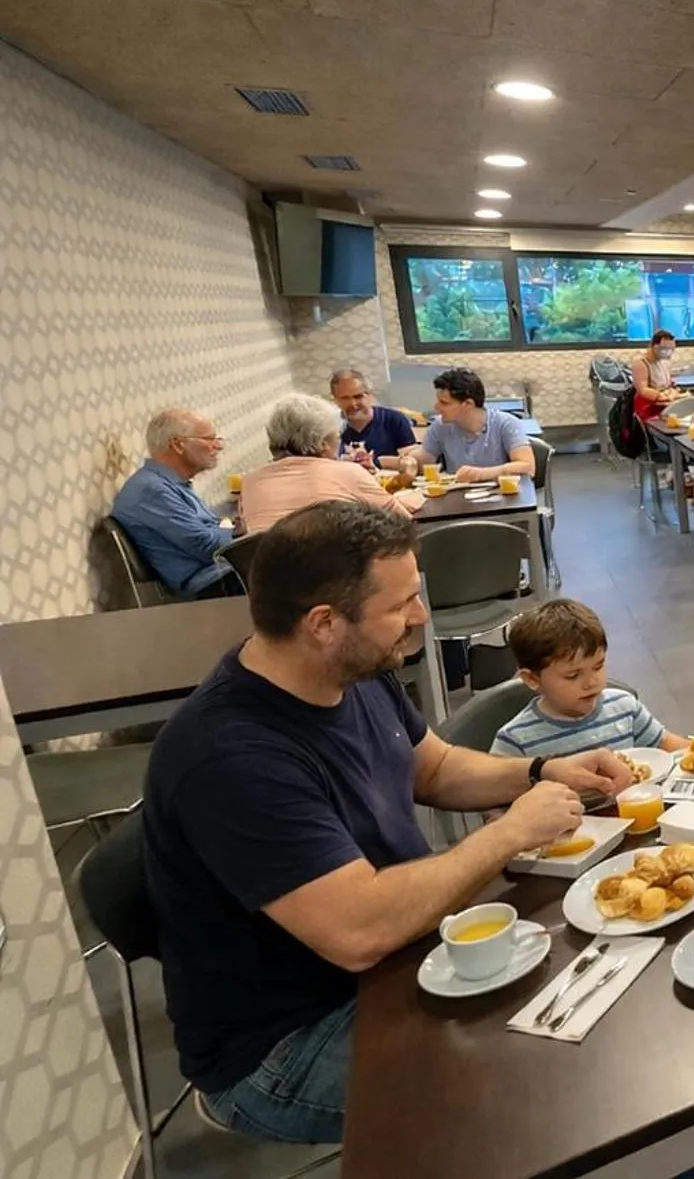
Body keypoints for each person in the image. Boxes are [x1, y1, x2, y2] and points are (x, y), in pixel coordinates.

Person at [141, 503, 631, 1144]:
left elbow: (434, 769)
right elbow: (360, 929)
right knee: (546, 1079)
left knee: (594, 989)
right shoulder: (231, 756)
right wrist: (509, 832)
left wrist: (543, 771)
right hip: (288, 1044)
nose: (422, 618)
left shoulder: (351, 670)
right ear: (323, 623)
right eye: (402, 605)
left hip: (395, 957)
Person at [489, 598, 686, 757]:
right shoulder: (515, 741)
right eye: (573, 675)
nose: (592, 682)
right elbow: (496, 802)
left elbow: (671, 747)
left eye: (598, 666)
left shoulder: (625, 708)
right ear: (532, 679)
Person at [240, 394, 423, 534]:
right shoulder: (348, 472)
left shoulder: (249, 483)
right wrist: (396, 503)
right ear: (323, 443)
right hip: (341, 577)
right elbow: (402, 523)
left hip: (273, 580)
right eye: (336, 436)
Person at [110, 408, 238, 598]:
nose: (218, 446)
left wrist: (227, 527)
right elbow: (207, 547)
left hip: (219, 573)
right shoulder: (151, 490)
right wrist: (233, 530)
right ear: (178, 445)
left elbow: (211, 527)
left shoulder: (170, 484)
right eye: (209, 439)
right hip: (210, 585)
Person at [409, 367, 534, 483]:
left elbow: (528, 466)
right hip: (458, 499)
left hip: (502, 496)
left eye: (444, 403)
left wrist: (482, 474)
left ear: (468, 404)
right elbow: (424, 463)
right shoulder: (439, 427)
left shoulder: (506, 424)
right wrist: (409, 461)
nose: (436, 407)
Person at [330, 369, 418, 474]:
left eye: (358, 396)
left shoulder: (394, 419)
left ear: (370, 395)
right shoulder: (330, 427)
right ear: (335, 400)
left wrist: (378, 462)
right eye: (345, 398)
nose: (353, 404)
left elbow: (411, 462)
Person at [629, 329, 682, 424]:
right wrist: (660, 396)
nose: (668, 352)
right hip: (647, 409)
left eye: (671, 349)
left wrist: (674, 392)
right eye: (664, 348)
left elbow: (669, 385)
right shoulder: (641, 364)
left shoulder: (664, 363)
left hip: (665, 407)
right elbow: (643, 390)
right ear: (654, 346)